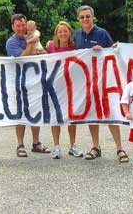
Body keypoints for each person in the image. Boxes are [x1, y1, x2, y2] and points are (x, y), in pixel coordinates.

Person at [74, 5, 129, 162]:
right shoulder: (77, 35)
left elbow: (113, 51)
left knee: (111, 112)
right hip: (87, 81)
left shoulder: (102, 33)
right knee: (93, 114)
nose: (85, 19)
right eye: (82, 17)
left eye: (87, 16)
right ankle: (96, 146)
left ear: (93, 17)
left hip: (105, 80)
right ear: (78, 19)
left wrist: (103, 49)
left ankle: (120, 148)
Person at [5, 13, 51, 157]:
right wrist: (31, 43)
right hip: (18, 82)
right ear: (13, 27)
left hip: (35, 81)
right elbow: (22, 58)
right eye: (17, 25)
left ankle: (36, 143)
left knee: (35, 110)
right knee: (21, 113)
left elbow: (42, 55)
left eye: (23, 25)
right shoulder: (11, 42)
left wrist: (42, 51)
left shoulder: (30, 38)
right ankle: (20, 144)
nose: (20, 28)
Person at [46, 21, 84, 159]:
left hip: (70, 87)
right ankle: (56, 146)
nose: (63, 34)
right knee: (55, 117)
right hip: (55, 87)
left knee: (71, 118)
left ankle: (72, 145)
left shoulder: (74, 47)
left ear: (69, 33)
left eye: (65, 31)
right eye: (60, 31)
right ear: (56, 34)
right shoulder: (50, 46)